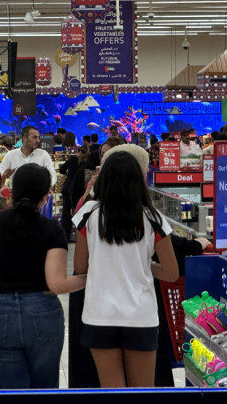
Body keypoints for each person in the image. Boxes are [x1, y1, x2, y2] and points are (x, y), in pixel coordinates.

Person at [0, 163, 86, 389]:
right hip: (44, 314)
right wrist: (91, 277)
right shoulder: (52, 229)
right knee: (44, 392)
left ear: (12, 192)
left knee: (8, 395)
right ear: (45, 196)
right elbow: (57, 284)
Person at [72, 151, 178, 388]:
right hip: (141, 317)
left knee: (112, 393)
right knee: (142, 393)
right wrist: (141, 264)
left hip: (99, 315)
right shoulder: (154, 218)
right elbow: (171, 273)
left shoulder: (87, 213)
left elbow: (80, 267)